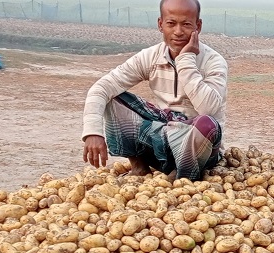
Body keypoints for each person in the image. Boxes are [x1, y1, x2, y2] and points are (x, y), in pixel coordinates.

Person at [81, 0, 228, 181]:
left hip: (198, 146)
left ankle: (183, 179)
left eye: (186, 24)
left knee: (208, 124)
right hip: (162, 136)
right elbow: (101, 88)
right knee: (113, 96)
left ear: (198, 26)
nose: (178, 31)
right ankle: (139, 167)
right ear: (160, 24)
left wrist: (186, 61)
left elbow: (209, 109)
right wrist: (92, 132)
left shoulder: (213, 61)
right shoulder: (150, 57)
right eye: (171, 23)